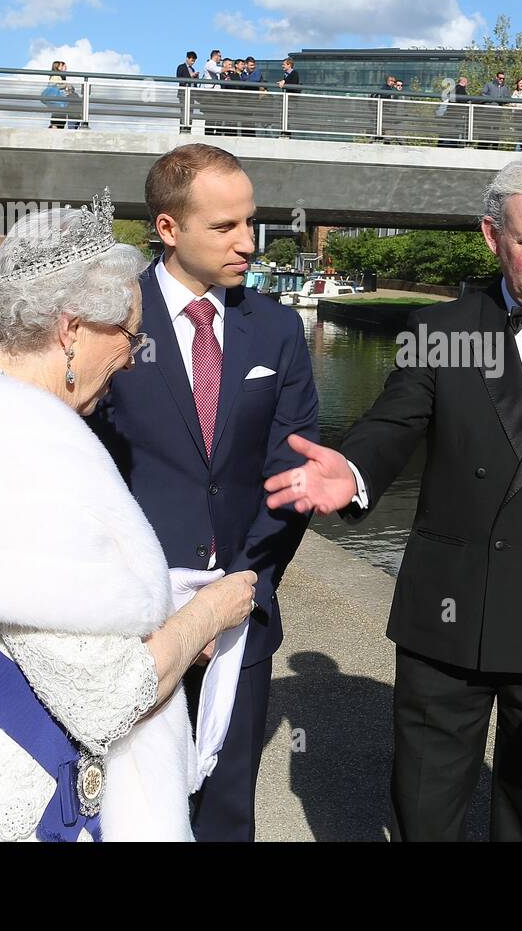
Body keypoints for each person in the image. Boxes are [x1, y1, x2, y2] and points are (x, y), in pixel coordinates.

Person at [264, 156, 522, 841]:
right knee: (425, 813)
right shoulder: (442, 332)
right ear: (492, 236)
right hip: (447, 618)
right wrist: (353, 470)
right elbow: (391, 422)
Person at [0, 198, 260, 840]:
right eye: (130, 335)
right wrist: (208, 613)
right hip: (18, 810)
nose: (133, 356)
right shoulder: (22, 457)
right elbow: (106, 697)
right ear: (72, 330)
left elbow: (30, 624)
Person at [88, 144, 320, 841]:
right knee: (127, 807)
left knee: (225, 813)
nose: (248, 242)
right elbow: (87, 471)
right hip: (131, 623)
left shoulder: (276, 329)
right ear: (168, 228)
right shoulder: (108, 322)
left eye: (251, 222)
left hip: (240, 618)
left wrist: (239, 590)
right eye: (225, 226)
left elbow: (292, 473)